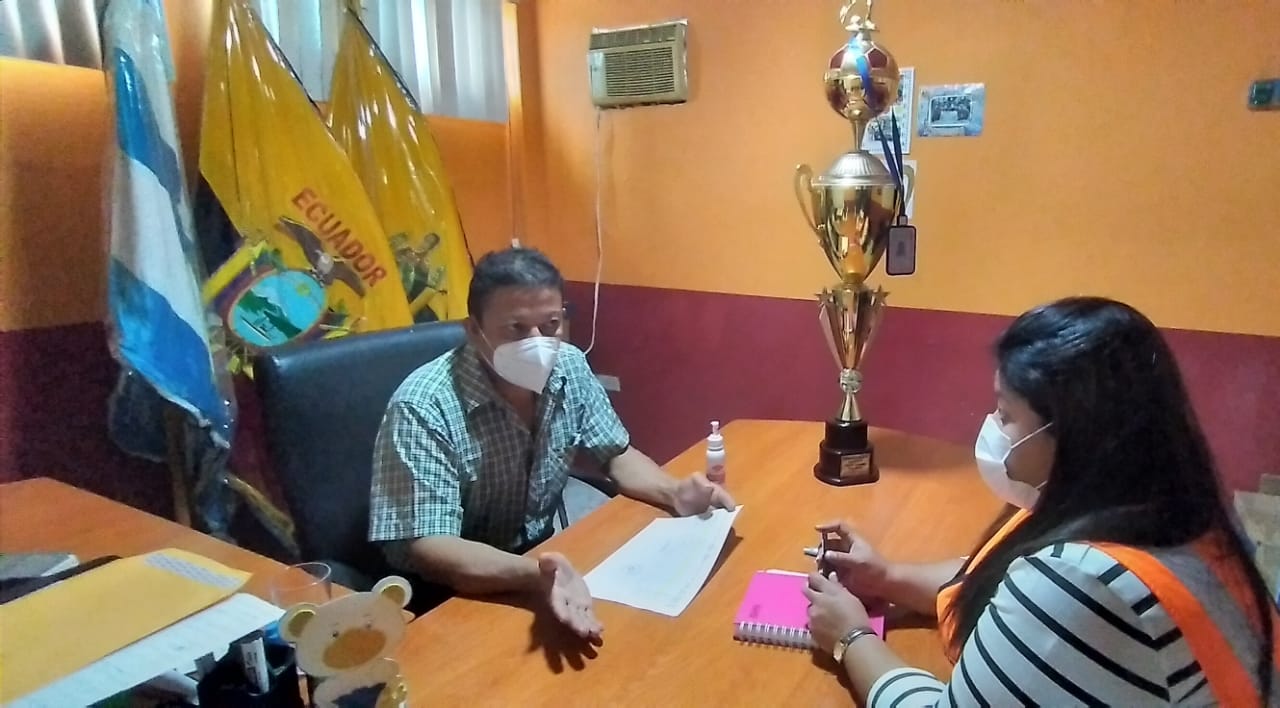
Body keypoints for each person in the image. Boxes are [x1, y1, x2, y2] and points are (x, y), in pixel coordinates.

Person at [803, 297, 1278, 706]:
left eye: (1005, 413)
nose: (992, 427)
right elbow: (989, 578)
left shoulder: (1081, 585)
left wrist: (851, 637)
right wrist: (888, 577)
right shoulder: (1183, 514)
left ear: (1073, 433)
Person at [368, 247, 734, 640]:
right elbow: (429, 546)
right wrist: (536, 574)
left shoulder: (569, 365)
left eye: (551, 325)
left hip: (540, 560)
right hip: (448, 593)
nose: (538, 343)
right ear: (474, 330)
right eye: (516, 328)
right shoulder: (424, 405)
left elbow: (615, 454)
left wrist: (672, 491)